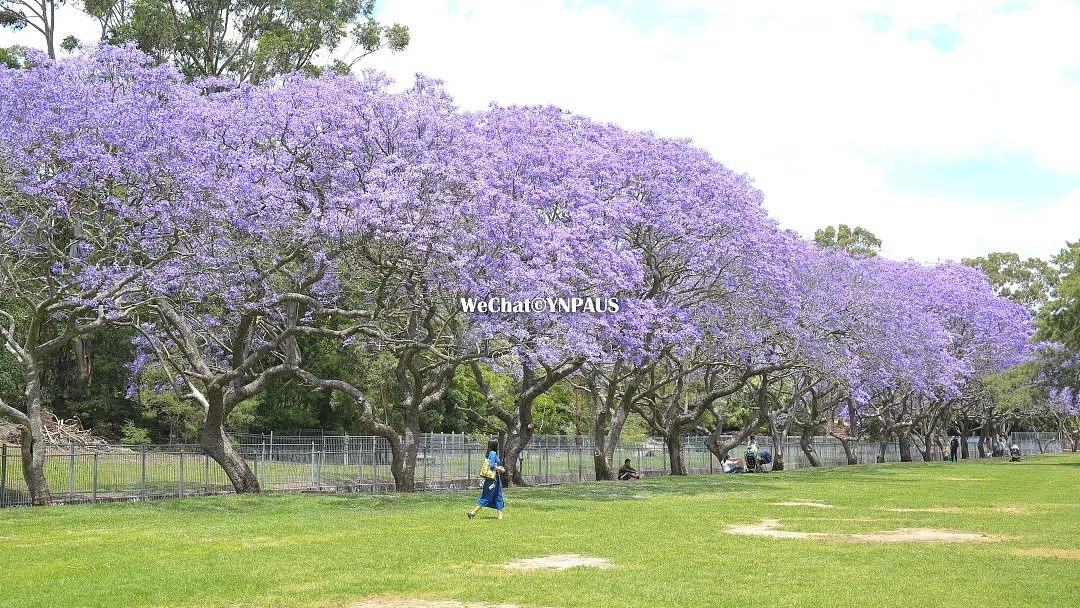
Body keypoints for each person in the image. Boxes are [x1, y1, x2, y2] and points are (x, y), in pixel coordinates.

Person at [469, 439, 506, 520]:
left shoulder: (489, 453)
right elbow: (492, 466)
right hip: (492, 480)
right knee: (486, 497)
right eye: (497, 444)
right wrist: (500, 469)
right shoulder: (493, 453)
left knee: (498, 496)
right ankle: (472, 513)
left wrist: (498, 468)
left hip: (495, 479)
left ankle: (500, 516)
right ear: (495, 445)